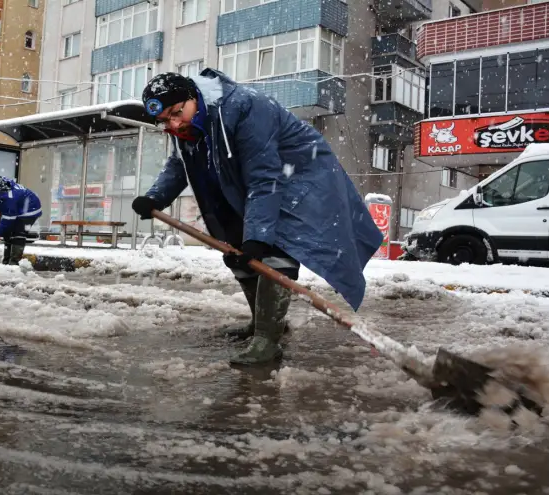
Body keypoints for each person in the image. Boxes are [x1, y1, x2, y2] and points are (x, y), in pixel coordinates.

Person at [131, 70, 383, 366]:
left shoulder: (245, 107)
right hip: (248, 184)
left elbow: (265, 178)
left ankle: (268, 340)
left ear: (193, 97)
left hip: (298, 178)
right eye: (165, 122)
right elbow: (178, 165)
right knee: (238, 250)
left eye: (177, 113)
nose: (174, 124)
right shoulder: (187, 125)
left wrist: (258, 237)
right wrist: (154, 197)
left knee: (275, 248)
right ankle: (262, 323)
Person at [0, 172, 42, 265]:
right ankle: (6, 261)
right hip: (17, 206)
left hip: (30, 208)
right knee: (8, 233)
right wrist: (0, 209)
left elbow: (9, 217)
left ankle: (14, 262)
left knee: (18, 233)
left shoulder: (6, 195)